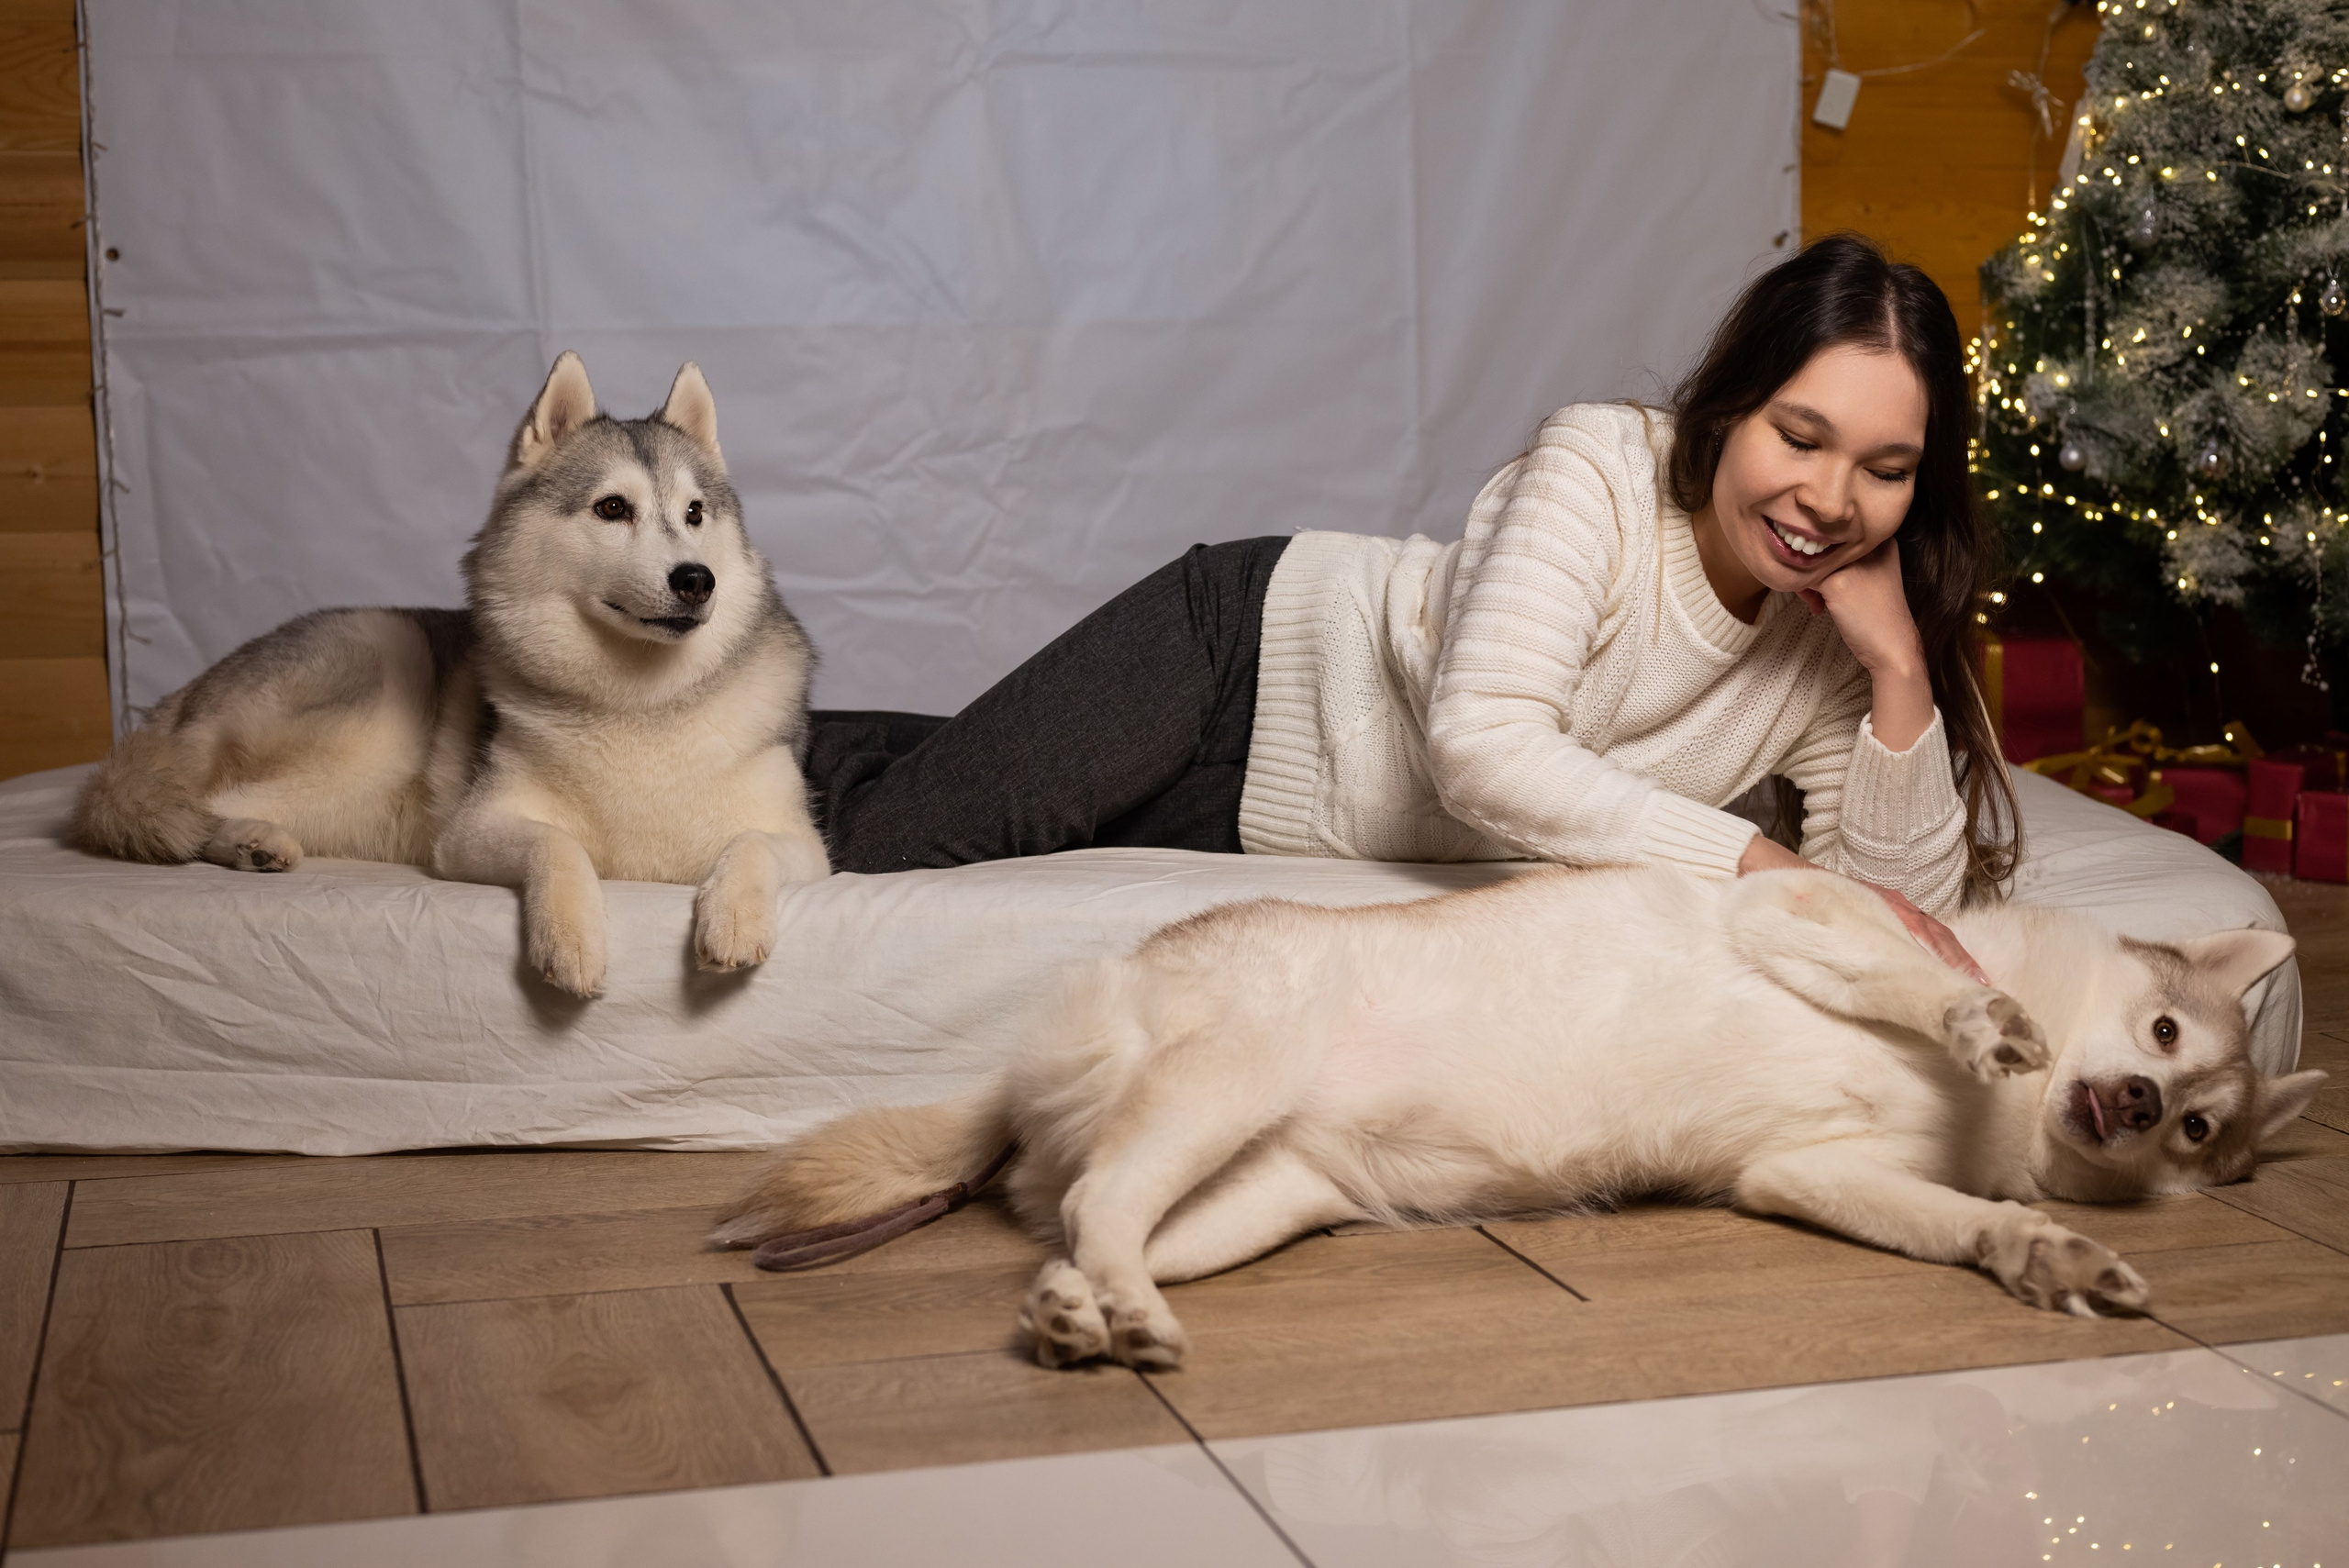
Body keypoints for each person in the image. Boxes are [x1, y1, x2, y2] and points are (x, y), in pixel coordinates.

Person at [806, 233, 2016, 975]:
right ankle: (701, 736)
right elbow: (1483, 746)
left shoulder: (1841, 642)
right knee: (885, 850)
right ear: (1729, 411)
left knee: (975, 802)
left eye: (1885, 468)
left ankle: (805, 747)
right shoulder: (1597, 467)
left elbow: (1891, 921)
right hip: (1242, 652)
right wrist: (1751, 858)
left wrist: (1903, 680)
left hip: (1266, 820)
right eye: (1799, 437)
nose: (1828, 498)